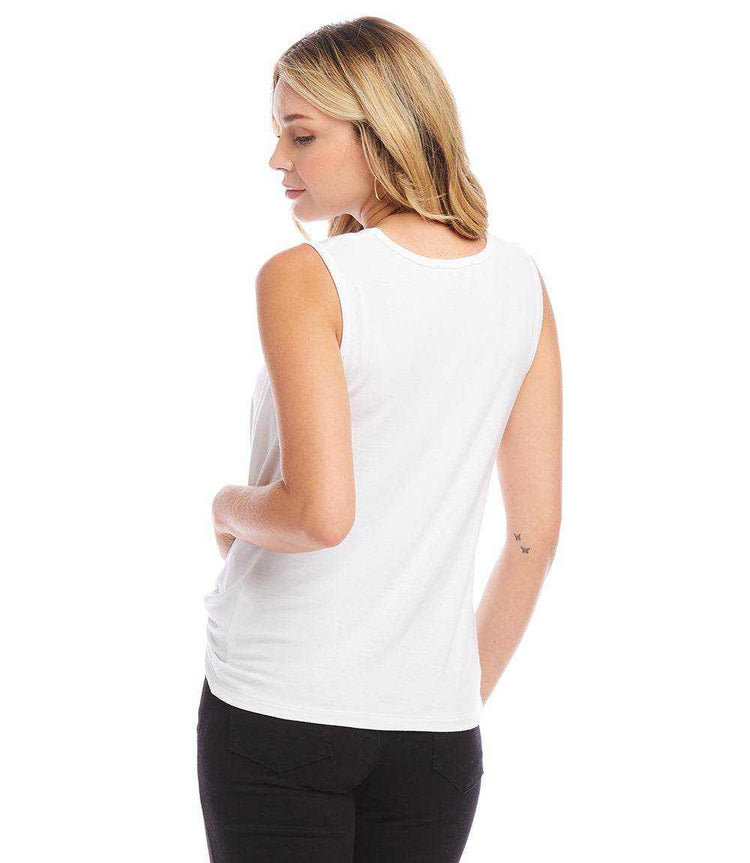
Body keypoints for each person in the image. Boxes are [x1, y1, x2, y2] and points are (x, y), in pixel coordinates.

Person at [197, 15, 562, 863]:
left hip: (281, 703)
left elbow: (318, 514)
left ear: (383, 129)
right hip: (435, 734)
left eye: (301, 134)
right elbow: (534, 535)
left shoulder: (307, 276)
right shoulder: (520, 282)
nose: (278, 158)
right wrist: (449, 695)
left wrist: (224, 506)